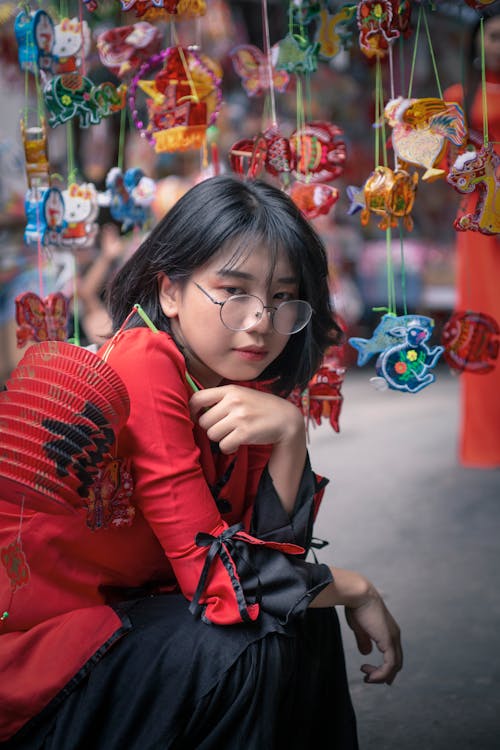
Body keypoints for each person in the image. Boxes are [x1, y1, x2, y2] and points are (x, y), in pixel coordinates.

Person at [0, 175, 402, 749]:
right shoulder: (144, 361)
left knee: (300, 615)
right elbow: (224, 583)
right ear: (169, 293)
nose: (261, 320)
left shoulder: (249, 386)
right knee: (248, 638)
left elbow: (272, 564)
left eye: (284, 297)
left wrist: (290, 438)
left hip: (134, 626)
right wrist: (358, 588)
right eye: (234, 291)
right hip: (46, 665)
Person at [443, 8, 500, 468]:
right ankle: (486, 439)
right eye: (495, 36)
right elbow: (448, 166)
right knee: (485, 321)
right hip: (481, 221)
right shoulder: (459, 99)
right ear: (477, 42)